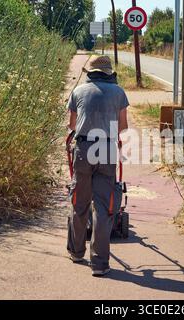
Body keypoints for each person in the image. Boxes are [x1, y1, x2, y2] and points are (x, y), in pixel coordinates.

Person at [67, 55, 129, 277]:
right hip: (107, 149)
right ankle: (100, 264)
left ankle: (76, 251)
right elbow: (123, 126)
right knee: (103, 207)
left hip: (84, 149)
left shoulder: (78, 92)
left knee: (79, 202)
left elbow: (72, 125)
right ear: (109, 73)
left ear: (90, 73)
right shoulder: (119, 93)